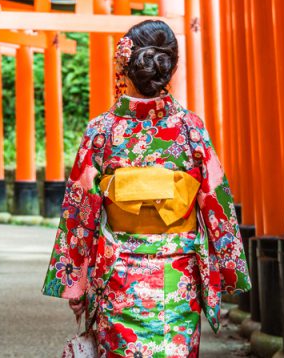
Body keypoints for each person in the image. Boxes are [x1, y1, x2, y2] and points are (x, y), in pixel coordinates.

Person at [42, 19, 250, 357]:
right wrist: (229, 269)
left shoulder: (102, 130)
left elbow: (81, 209)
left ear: (124, 66)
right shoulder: (190, 129)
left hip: (118, 275)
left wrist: (75, 282)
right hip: (177, 276)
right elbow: (215, 201)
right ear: (170, 67)